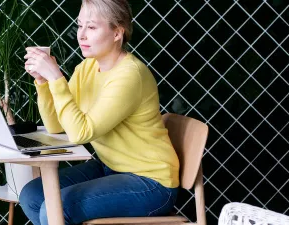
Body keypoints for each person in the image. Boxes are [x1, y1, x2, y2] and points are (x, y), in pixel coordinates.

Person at [19, 0, 180, 224]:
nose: (81, 35)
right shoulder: (87, 68)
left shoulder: (129, 75)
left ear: (117, 33)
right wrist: (44, 83)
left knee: (55, 208)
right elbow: (57, 126)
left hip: (151, 183)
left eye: (92, 27)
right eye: (79, 25)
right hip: (110, 167)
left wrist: (57, 78)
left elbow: (80, 133)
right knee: (32, 196)